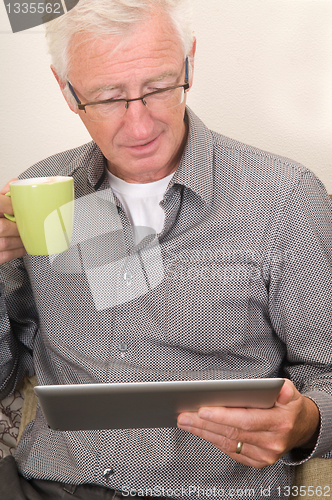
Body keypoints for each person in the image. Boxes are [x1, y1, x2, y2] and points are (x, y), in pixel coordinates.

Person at [0, 0, 332, 498]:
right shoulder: (40, 193)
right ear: (67, 92)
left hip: (206, 489)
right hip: (48, 481)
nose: (139, 127)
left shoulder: (283, 198)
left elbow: (326, 371)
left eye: (157, 88)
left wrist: (306, 423)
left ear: (189, 63)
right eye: (109, 98)